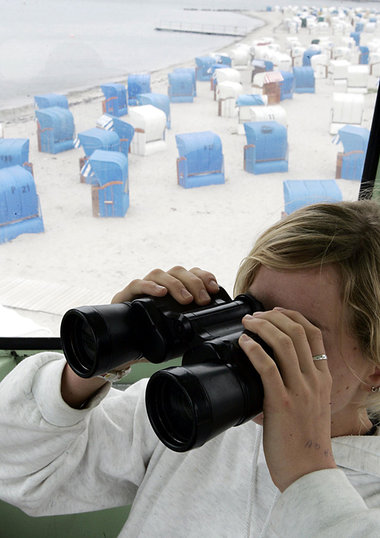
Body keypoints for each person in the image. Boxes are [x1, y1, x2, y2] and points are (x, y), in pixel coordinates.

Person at [1, 199, 380, 537]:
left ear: (375, 370)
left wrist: (308, 478)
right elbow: (22, 471)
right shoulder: (197, 411)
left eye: (297, 336)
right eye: (252, 313)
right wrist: (91, 368)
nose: (258, 347)